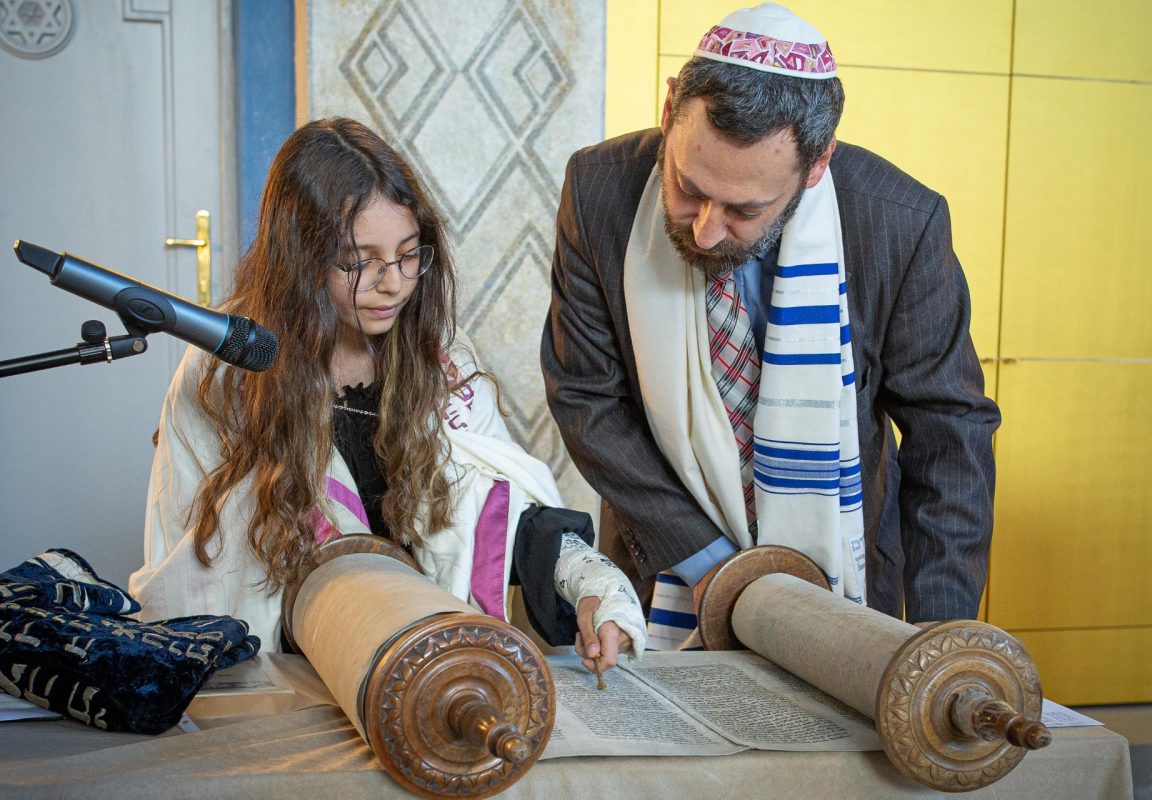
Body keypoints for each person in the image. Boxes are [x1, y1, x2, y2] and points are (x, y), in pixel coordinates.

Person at [541, 3, 1001, 649]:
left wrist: (942, 630)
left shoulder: (900, 222)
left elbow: (947, 430)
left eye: (745, 209)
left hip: (847, 563)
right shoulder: (599, 188)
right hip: (668, 560)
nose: (704, 228)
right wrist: (713, 569)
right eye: (687, 186)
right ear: (672, 105)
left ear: (817, 165)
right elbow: (587, 394)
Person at [130, 117, 645, 670]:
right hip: (285, 660)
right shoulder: (231, 363)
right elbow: (195, 556)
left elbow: (494, 512)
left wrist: (589, 580)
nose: (394, 282)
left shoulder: (439, 356)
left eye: (407, 254)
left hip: (414, 656)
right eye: (359, 261)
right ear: (299, 258)